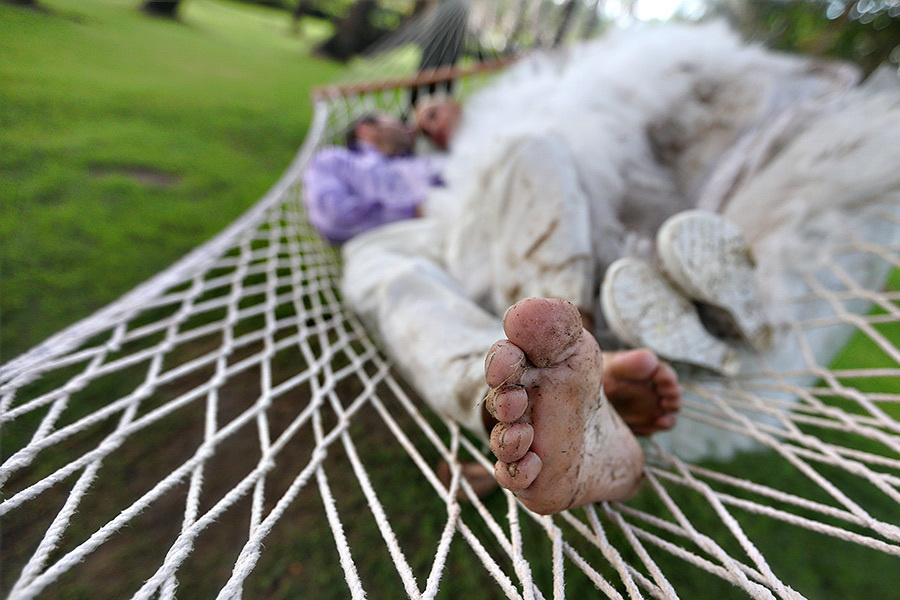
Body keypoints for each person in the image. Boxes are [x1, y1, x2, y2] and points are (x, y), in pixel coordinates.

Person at [341, 23, 900, 515]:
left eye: (433, 113)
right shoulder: (355, 166)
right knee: (376, 266)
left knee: (532, 151)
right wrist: (412, 196)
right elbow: (330, 210)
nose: (425, 125)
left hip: (535, 236)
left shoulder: (499, 120)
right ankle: (538, 397)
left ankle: (574, 371)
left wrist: (478, 133)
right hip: (436, 231)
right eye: (413, 121)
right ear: (364, 136)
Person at [302, 113, 445, 244]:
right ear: (365, 129)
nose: (409, 127)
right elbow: (333, 218)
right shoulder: (335, 161)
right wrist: (413, 211)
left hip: (445, 236)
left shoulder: (422, 164)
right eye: (399, 121)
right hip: (378, 250)